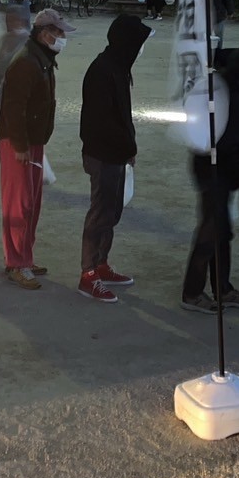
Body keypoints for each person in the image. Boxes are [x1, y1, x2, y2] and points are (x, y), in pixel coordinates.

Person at [0, 9, 75, 290]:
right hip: (18, 142)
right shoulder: (26, 63)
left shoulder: (41, 60)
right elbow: (13, 108)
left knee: (31, 203)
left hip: (32, 141)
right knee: (19, 204)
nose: (62, 37)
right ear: (44, 34)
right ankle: (16, 263)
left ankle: (25, 258)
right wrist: (19, 145)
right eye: (59, 32)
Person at [181, 47, 239, 314]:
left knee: (221, 232)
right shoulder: (230, 97)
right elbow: (227, 143)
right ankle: (192, 293)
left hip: (217, 173)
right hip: (216, 174)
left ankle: (222, 288)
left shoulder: (228, 90)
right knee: (210, 233)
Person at [78, 15, 150, 303]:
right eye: (139, 42)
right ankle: (88, 274)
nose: (141, 49)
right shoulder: (102, 70)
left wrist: (128, 148)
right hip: (103, 154)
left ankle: (101, 264)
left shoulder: (119, 67)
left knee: (111, 213)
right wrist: (124, 146)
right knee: (100, 214)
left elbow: (121, 115)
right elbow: (100, 123)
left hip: (116, 153)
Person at [0, 4, 31, 100]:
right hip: (6, 89)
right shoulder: (6, 38)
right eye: (6, 21)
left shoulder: (27, 40)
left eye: (12, 20)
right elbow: (0, 65)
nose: (8, 24)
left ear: (21, 21)